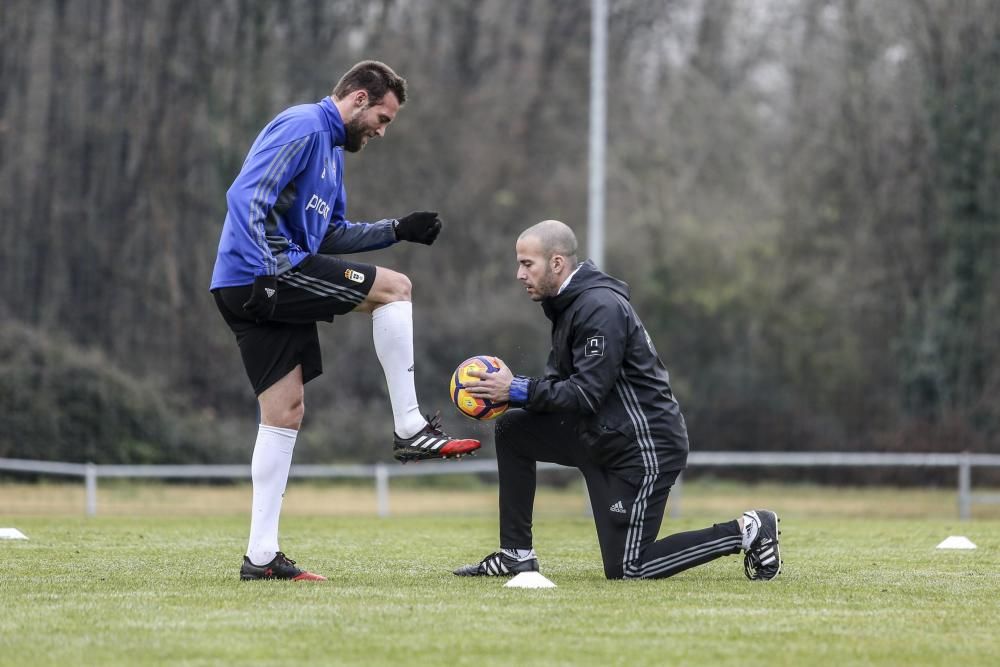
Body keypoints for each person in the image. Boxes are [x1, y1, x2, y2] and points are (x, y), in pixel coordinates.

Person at [210, 60, 480, 582]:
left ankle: (260, 558)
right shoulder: (303, 126)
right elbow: (245, 197)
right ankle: (410, 427)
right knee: (395, 289)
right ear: (358, 99)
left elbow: (329, 236)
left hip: (250, 278)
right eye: (383, 117)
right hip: (261, 275)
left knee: (284, 412)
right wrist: (269, 270)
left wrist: (396, 229)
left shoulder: (333, 153)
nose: (382, 130)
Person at [453, 220, 780, 581]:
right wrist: (506, 396)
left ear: (557, 263)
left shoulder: (600, 308)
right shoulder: (566, 308)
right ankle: (516, 556)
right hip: (601, 435)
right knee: (514, 430)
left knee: (628, 568)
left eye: (527, 264)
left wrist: (517, 390)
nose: (519, 274)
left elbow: (586, 392)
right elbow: (563, 389)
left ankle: (748, 529)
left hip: (643, 448)